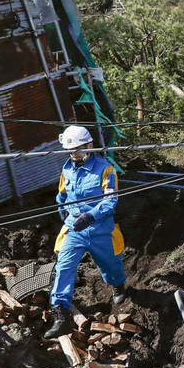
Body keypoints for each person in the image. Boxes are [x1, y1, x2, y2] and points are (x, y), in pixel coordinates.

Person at [44, 125, 127, 339]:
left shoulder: (106, 169)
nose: (74, 155)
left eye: (79, 151)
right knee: (64, 265)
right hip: (74, 229)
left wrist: (90, 216)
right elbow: (61, 197)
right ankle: (61, 315)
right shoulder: (67, 169)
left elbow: (111, 200)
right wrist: (67, 217)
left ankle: (117, 285)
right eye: (70, 152)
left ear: (90, 146)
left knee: (111, 265)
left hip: (100, 229)